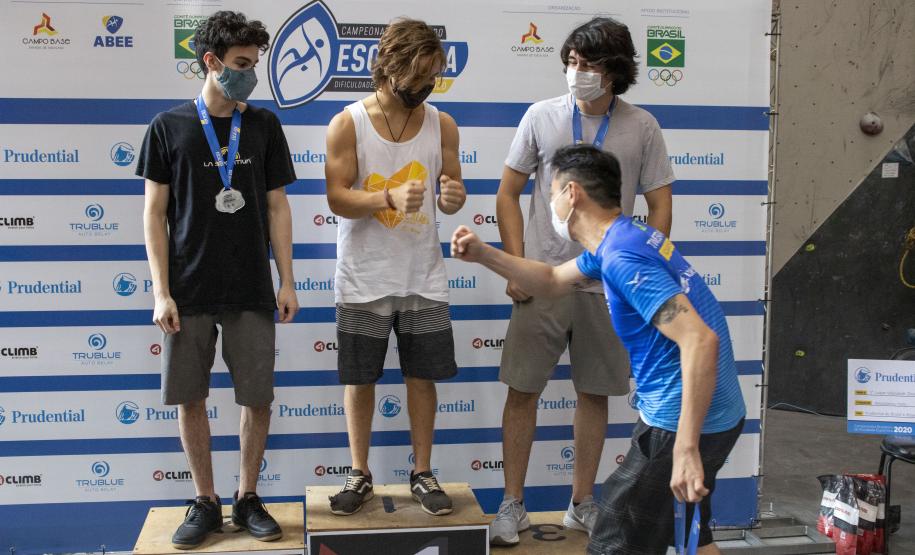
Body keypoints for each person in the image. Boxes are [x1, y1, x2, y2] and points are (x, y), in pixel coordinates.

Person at [452, 144, 746, 555]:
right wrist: (485, 254)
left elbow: (700, 340)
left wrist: (685, 447)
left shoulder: (623, 257)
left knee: (612, 542)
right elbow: (554, 279)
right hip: (710, 414)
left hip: (681, 420)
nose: (549, 200)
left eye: (551, 191)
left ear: (571, 194)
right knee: (693, 536)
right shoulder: (622, 239)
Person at [490, 16, 675, 545]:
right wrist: (518, 263)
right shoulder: (541, 116)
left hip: (608, 287)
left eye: (590, 65)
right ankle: (512, 505)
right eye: (572, 62)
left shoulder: (642, 127)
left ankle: (581, 503)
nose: (578, 73)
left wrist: (638, 272)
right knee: (521, 390)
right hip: (546, 280)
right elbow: (507, 193)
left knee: (595, 394)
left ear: (616, 71)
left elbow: (661, 203)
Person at [137, 10, 298, 549]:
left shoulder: (264, 125)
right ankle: (205, 500)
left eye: (254, 63)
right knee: (191, 398)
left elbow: (278, 207)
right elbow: (153, 214)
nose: (251, 74)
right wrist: (161, 291)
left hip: (252, 285)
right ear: (211, 62)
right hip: (189, 287)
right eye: (241, 64)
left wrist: (288, 279)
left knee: (257, 398)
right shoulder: (168, 127)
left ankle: (247, 496)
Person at [322, 18, 467, 517]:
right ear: (389, 68)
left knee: (422, 376)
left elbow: (450, 194)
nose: (425, 87)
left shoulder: (442, 123)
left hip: (422, 274)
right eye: (419, 76)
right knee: (359, 378)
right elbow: (337, 198)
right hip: (364, 276)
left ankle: (422, 472)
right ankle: (359, 472)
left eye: (434, 77)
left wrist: (453, 195)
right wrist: (386, 195)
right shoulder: (348, 122)